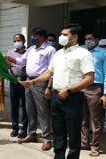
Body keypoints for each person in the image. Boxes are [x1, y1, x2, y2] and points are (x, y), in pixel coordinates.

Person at [22, 24, 95, 159]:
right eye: (61, 34)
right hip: (57, 96)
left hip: (73, 97)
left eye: (64, 35)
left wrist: (69, 90)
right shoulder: (59, 53)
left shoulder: (84, 54)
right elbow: (49, 72)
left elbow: (89, 78)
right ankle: (58, 156)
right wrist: (33, 82)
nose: (61, 37)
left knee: (73, 132)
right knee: (58, 130)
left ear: (75, 37)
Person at [5, 27, 56, 151]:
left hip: (41, 82)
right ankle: (31, 134)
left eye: (35, 36)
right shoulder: (31, 49)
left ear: (42, 37)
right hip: (28, 81)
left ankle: (46, 138)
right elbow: (22, 60)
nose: (33, 38)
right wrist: (9, 58)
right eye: (32, 36)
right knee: (29, 109)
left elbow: (52, 70)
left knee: (42, 111)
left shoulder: (50, 50)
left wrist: (49, 86)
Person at [82, 33, 106, 157]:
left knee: (96, 119)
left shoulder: (104, 53)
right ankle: (84, 143)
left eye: (90, 39)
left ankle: (95, 146)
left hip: (95, 88)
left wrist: (105, 93)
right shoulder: (82, 52)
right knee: (82, 118)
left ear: (97, 40)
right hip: (80, 87)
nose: (87, 41)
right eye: (86, 39)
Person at [7, 34, 28, 138]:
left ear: (24, 40)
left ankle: (24, 129)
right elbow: (6, 63)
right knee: (14, 105)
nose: (17, 42)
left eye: (19, 40)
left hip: (25, 82)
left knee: (26, 106)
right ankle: (15, 128)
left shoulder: (29, 52)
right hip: (14, 81)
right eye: (15, 40)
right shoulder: (11, 52)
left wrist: (13, 64)